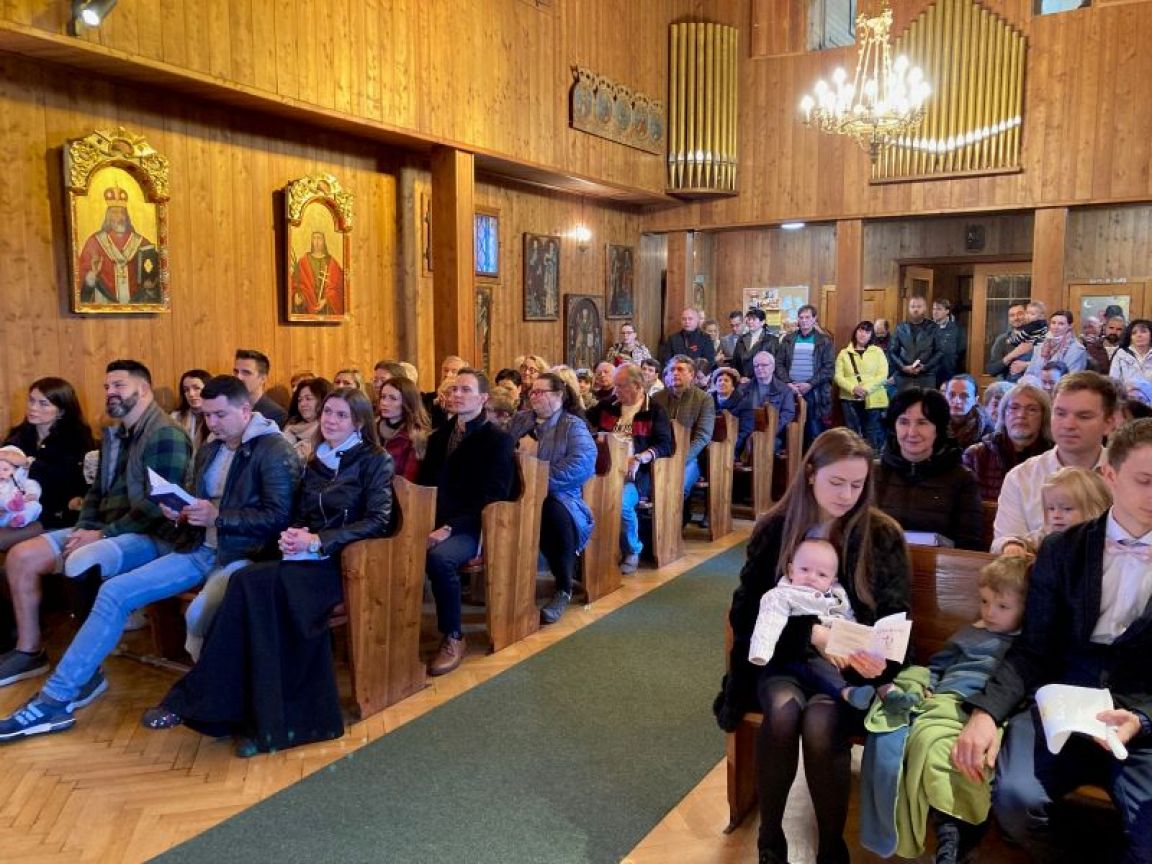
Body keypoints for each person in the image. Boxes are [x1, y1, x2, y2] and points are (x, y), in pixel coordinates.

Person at [0, 375, 302, 741]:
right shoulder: (211, 447)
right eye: (207, 415)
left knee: (199, 614)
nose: (212, 423)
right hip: (199, 548)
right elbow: (198, 497)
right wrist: (181, 510)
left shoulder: (274, 449)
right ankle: (57, 698)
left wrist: (219, 516)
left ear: (245, 409)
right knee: (114, 592)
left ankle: (210, 705)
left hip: (245, 556)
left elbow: (280, 517)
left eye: (220, 415)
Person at [137, 388, 391, 756]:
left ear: (359, 422)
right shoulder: (317, 459)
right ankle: (225, 709)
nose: (331, 421)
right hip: (306, 558)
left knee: (258, 590)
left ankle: (273, 724)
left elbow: (379, 521)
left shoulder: (374, 460)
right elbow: (301, 513)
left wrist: (318, 540)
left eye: (341, 415)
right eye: (328, 413)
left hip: (347, 563)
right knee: (244, 585)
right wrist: (293, 535)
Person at [954, 418, 1152, 864]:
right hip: (1062, 701)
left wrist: (1141, 719)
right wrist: (985, 713)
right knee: (1014, 800)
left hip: (1140, 708)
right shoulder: (1063, 550)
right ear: (1110, 475)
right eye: (1145, 481)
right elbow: (1034, 649)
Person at [714, 427, 911, 864]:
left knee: (821, 723)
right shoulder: (775, 528)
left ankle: (831, 845)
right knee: (783, 714)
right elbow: (745, 615)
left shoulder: (881, 534)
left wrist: (871, 657)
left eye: (857, 485)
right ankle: (770, 838)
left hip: (845, 670)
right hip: (780, 660)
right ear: (809, 474)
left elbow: (894, 616)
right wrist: (811, 635)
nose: (846, 495)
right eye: (836, 482)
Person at [0, 360, 191, 688]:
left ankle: (86, 670)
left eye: (119, 385)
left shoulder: (165, 433)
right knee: (20, 557)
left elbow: (160, 504)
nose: (110, 392)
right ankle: (29, 650)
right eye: (106, 387)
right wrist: (84, 528)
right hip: (106, 528)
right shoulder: (116, 435)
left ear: (143, 389)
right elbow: (95, 492)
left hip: (151, 533)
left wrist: (101, 534)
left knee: (85, 558)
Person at [880, 555, 1033, 864]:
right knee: (926, 743)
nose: (989, 612)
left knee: (969, 756)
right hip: (947, 699)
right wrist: (930, 685)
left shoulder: (1025, 647)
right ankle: (949, 834)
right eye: (984, 601)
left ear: (1026, 608)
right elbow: (938, 666)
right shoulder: (969, 634)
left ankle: (958, 835)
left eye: (1003, 606)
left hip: (989, 710)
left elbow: (1022, 689)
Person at [419, 369, 516, 676]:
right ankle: (395, 630)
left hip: (474, 524)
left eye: (465, 390)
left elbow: (493, 497)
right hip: (434, 518)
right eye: (454, 389)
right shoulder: (439, 438)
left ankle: (453, 636)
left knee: (440, 558)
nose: (456, 395)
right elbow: (424, 484)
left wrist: (449, 528)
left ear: (483, 398)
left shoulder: (497, 440)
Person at [992, 371, 1118, 553]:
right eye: (1060, 413)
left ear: (1109, 423)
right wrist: (1011, 546)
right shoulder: (1021, 477)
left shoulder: (1129, 475)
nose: (1068, 424)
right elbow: (1006, 542)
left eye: (1083, 416)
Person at [506, 372, 596, 624]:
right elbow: (502, 450)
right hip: (516, 490)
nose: (533, 396)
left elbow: (581, 464)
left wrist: (538, 480)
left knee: (553, 514)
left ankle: (563, 588)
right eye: (531, 392)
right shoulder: (520, 420)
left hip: (560, 495)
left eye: (540, 392)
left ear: (558, 395)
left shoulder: (572, 425)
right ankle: (503, 585)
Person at [748, 538, 877, 710]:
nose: (811, 577)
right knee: (814, 663)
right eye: (804, 569)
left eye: (821, 575)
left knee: (833, 672)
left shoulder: (837, 597)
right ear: (791, 571)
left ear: (832, 581)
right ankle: (847, 692)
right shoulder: (781, 595)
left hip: (832, 661)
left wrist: (852, 646)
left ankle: (873, 693)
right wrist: (760, 653)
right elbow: (768, 623)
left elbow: (848, 620)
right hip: (793, 657)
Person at [586, 364, 673, 575]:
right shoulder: (608, 405)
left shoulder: (654, 410)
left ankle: (632, 549)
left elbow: (666, 445)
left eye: (621, 386)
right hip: (602, 470)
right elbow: (582, 420)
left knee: (622, 505)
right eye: (615, 385)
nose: (616, 391)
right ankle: (590, 553)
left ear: (637, 385)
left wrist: (641, 457)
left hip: (636, 475)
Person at [874, 388, 984, 550]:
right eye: (903, 422)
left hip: (942, 564)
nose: (912, 432)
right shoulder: (874, 472)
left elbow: (970, 544)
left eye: (922, 423)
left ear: (937, 429)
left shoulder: (962, 479)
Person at [2, 377, 95, 545]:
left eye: (43, 404)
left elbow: (66, 482)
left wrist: (27, 463)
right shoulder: (18, 435)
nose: (33, 408)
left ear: (61, 411)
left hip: (51, 515)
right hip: (11, 508)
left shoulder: (77, 439)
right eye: (31, 400)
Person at [962, 382, 1052, 502]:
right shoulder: (976, 456)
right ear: (1003, 414)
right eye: (1014, 408)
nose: (1021, 415)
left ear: (1044, 416)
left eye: (1032, 409)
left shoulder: (1054, 457)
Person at [998, 466, 1112, 558]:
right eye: (1051, 509)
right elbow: (1023, 541)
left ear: (1093, 510)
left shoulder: (1102, 540)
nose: (1056, 515)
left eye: (1067, 509)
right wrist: (1014, 546)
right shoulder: (1046, 535)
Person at [76, 185, 160, 305]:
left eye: (122, 212)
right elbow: (81, 275)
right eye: (114, 212)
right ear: (108, 216)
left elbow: (154, 270)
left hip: (136, 302)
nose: (119, 217)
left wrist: (151, 286)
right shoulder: (94, 242)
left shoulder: (142, 242)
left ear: (127, 216)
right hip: (104, 300)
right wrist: (92, 275)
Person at [653, 354, 715, 508]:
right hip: (661, 454)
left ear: (691, 374)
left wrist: (682, 458)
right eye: (672, 370)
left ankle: (675, 518)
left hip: (691, 457)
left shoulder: (704, 399)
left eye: (680, 369)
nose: (675, 373)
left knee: (677, 488)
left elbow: (703, 436)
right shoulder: (657, 398)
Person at [776, 304, 834, 450]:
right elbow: (778, 364)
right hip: (790, 390)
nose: (804, 321)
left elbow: (828, 368)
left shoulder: (824, 341)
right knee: (789, 430)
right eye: (801, 317)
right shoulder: (788, 339)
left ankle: (812, 461)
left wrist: (810, 384)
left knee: (814, 431)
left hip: (814, 392)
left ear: (814, 319)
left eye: (807, 317)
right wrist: (788, 383)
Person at [834, 320, 889, 453]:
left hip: (872, 397)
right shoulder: (844, 353)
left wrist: (866, 389)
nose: (863, 334)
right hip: (849, 398)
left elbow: (883, 375)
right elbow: (838, 376)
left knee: (872, 431)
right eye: (860, 330)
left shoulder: (877, 352)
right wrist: (853, 388)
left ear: (871, 335)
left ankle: (873, 459)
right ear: (855, 332)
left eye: (867, 332)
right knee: (852, 433)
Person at [377, 375, 430, 482]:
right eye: (383, 397)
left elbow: (408, 480)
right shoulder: (371, 429)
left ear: (407, 402)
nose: (384, 402)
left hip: (396, 490)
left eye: (393, 398)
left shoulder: (416, 436)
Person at [892, 295, 941, 391]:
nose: (915, 309)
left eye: (919, 306)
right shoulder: (900, 328)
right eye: (913, 306)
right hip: (904, 377)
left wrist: (925, 367)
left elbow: (940, 352)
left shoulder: (934, 328)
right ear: (909, 308)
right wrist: (903, 367)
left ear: (925, 308)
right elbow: (892, 352)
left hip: (926, 376)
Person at [291, 230, 345, 316]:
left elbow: (340, 288)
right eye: (314, 238)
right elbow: (294, 284)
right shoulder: (303, 262)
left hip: (327, 310)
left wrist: (327, 300)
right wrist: (297, 296)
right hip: (307, 309)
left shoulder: (332, 263)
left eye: (319, 238)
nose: (316, 242)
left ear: (324, 241)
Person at [233, 349, 287, 429]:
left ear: (263, 379)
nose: (239, 377)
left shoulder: (276, 415)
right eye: (236, 372)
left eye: (246, 373)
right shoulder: (230, 408)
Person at [1024, 310, 1087, 377]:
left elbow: (1072, 378)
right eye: (1053, 323)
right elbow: (1029, 373)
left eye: (1061, 324)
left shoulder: (1077, 350)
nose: (1056, 327)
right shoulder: (1041, 346)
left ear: (1070, 326)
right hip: (1036, 382)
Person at [282, 376, 332, 461]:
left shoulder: (329, 431)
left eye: (308, 399)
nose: (302, 404)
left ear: (323, 400)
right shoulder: (290, 426)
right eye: (299, 400)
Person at [711, 367, 754, 460]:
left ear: (733, 386)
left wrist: (732, 446)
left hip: (734, 446)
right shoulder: (708, 401)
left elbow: (746, 431)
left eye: (726, 380)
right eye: (719, 380)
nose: (722, 383)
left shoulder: (744, 403)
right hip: (711, 445)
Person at [944, 374, 993, 450]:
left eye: (964, 396)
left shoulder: (987, 430)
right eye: (951, 395)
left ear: (975, 400)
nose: (956, 401)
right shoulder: (935, 422)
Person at [985, 301, 1030, 382]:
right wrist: (1012, 355)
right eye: (1012, 315)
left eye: (1020, 314)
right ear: (1009, 319)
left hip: (1033, 386)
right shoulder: (1002, 339)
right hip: (1008, 386)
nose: (1016, 318)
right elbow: (991, 370)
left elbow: (1050, 365)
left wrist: (1027, 365)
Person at [731, 308, 780, 380]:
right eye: (749, 319)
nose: (750, 322)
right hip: (743, 380)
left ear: (762, 322)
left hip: (762, 380)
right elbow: (735, 362)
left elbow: (775, 365)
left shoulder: (772, 340)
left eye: (753, 319)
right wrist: (739, 378)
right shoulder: (741, 339)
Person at [171, 368, 211, 453]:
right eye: (186, 390)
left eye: (196, 388)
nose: (191, 394)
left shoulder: (217, 418)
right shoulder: (175, 417)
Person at [0, 447, 42, 528]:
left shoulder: (22, 482)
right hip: (2, 515)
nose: (1, 473)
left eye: (5, 469)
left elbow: (33, 486)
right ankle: (10, 504)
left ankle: (22, 518)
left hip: (14, 515)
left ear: (17, 471)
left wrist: (31, 495)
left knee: (36, 505)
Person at [1109, 317, 1152, 389]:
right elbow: (1113, 382)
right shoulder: (1121, 354)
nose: (1139, 335)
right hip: (1126, 395)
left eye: (1143, 331)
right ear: (1130, 337)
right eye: (1134, 333)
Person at [932, 298, 966, 385]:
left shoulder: (957, 328)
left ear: (947, 311)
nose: (935, 312)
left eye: (939, 309)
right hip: (931, 374)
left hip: (949, 372)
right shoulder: (928, 328)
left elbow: (960, 349)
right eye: (934, 309)